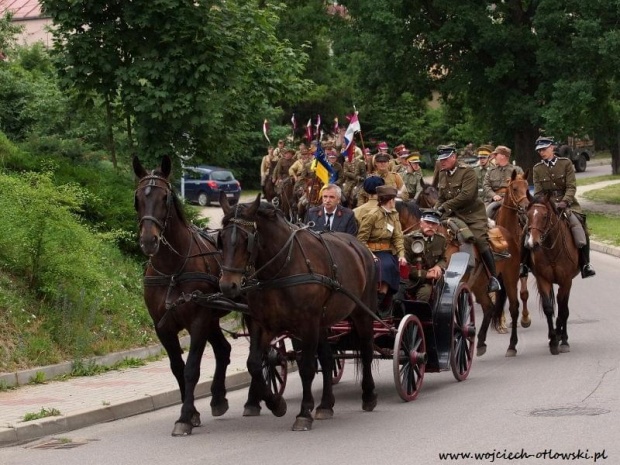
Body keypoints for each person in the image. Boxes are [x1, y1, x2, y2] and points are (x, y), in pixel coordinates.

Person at [520, 136, 595, 279]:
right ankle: (523, 264)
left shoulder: (565, 163)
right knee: (526, 229)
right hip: (545, 205)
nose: (542, 152)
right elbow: (538, 192)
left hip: (566, 204)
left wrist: (565, 201)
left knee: (580, 226)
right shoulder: (537, 168)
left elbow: (571, 187)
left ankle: (586, 264)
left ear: (552, 148)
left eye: (544, 149)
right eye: (539, 150)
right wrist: (543, 204)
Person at [435, 145, 501, 292]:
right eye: (441, 160)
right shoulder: (442, 173)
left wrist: (444, 206)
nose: (442, 162)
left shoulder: (468, 172)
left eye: (445, 159)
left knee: (480, 239)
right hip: (452, 214)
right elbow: (441, 197)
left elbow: (466, 196)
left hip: (472, 215)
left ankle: (493, 278)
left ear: (453, 157)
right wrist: (435, 209)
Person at [357, 185, 407, 315]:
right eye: (394, 199)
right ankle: (373, 301)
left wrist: (402, 255)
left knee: (389, 264)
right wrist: (370, 254)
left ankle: (380, 300)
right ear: (390, 200)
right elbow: (361, 239)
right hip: (370, 251)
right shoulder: (372, 216)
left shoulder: (394, 215)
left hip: (386, 252)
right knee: (379, 265)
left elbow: (398, 237)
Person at [403, 209, 447, 302]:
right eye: (427, 222)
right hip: (411, 279)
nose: (430, 226)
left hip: (429, 282)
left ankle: (421, 316)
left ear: (438, 226)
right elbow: (406, 266)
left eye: (434, 224)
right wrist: (426, 274)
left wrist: (438, 267)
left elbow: (443, 259)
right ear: (421, 223)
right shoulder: (408, 239)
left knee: (424, 294)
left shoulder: (441, 240)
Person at [483, 145, 524, 218]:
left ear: (503, 156)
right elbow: (486, 186)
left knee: (527, 216)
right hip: (495, 200)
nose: (494, 157)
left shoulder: (517, 170)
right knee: (486, 215)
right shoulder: (490, 171)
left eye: (496, 155)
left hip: (514, 200)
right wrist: (494, 195)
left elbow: (523, 186)